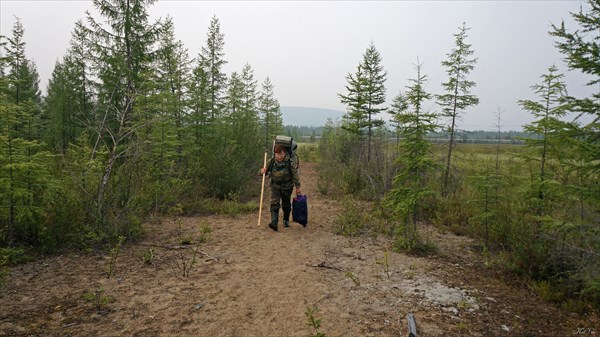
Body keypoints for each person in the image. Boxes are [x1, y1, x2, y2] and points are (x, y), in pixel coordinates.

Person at [260, 144, 301, 231]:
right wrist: (262, 171)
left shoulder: (290, 162)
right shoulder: (271, 161)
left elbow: (295, 175)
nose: (279, 157)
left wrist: (298, 187)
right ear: (275, 154)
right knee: (274, 203)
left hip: (287, 187)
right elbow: (263, 172)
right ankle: (274, 222)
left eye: (281, 155)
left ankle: (286, 220)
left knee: (286, 204)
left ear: (284, 153)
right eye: (277, 155)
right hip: (275, 186)